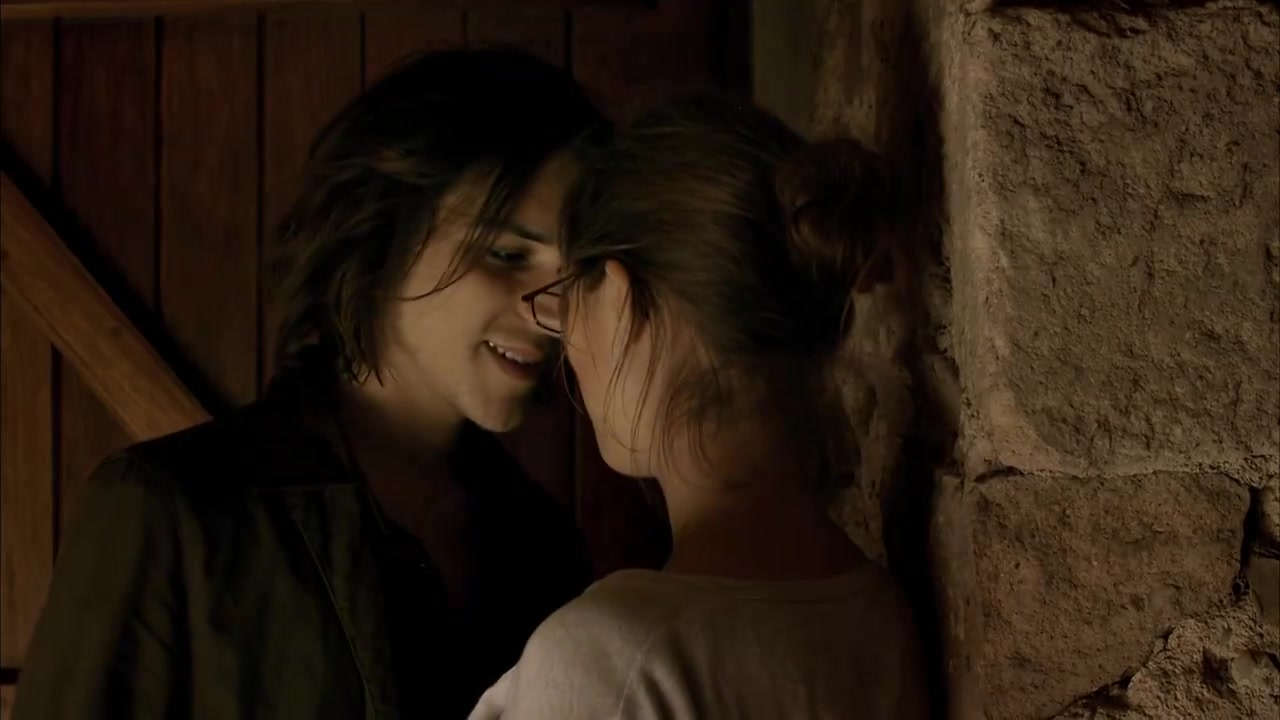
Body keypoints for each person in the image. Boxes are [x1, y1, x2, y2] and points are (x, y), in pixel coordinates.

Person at [14, 48, 604, 720]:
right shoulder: (168, 513)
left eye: (577, 273)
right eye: (507, 253)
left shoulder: (541, 547)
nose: (556, 310)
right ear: (385, 230)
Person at [469, 94, 930, 719]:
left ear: (623, 303)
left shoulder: (612, 661)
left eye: (569, 295)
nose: (565, 344)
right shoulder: (880, 617)